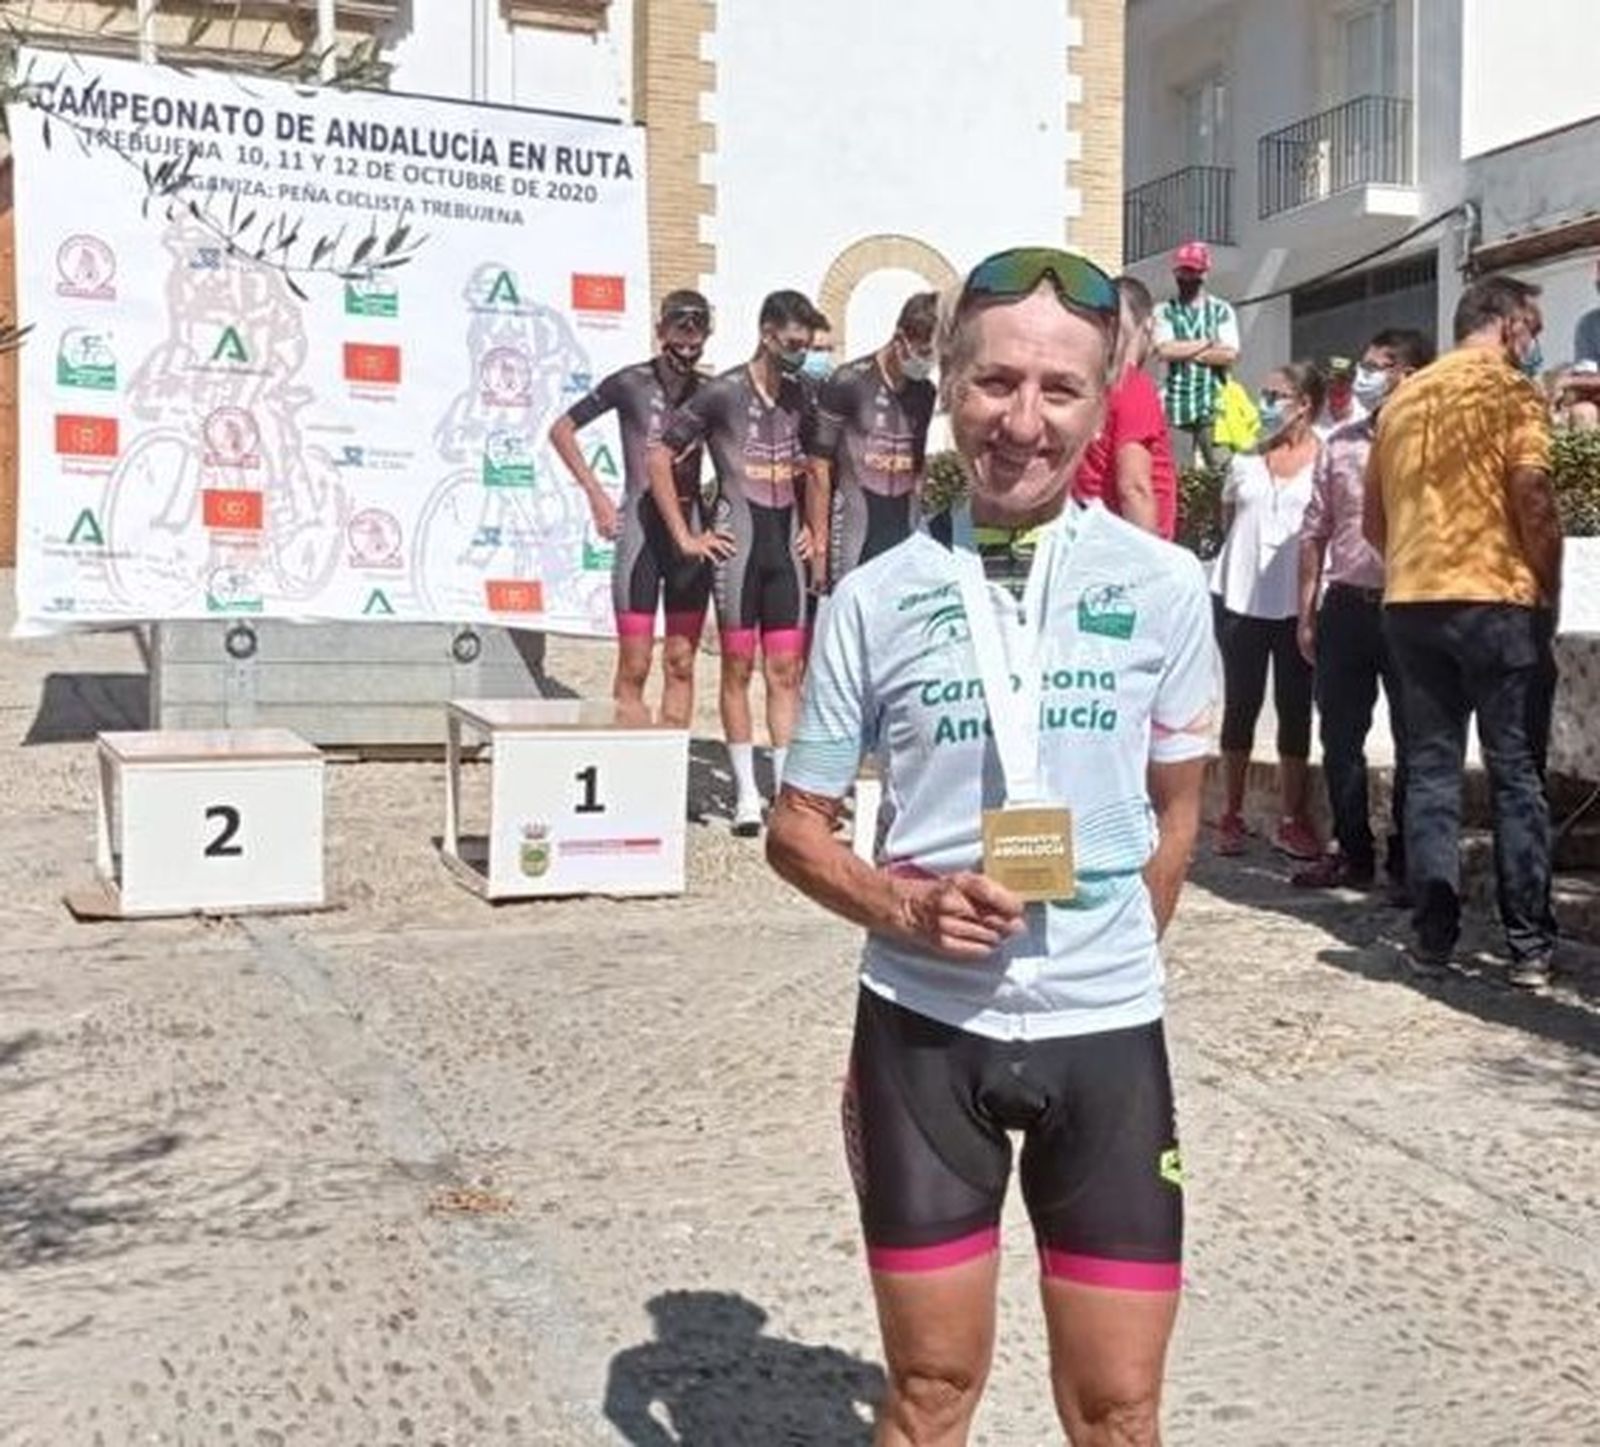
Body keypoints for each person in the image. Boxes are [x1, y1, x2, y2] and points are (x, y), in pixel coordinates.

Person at [768, 247, 1215, 1447]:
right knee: (926, 1397)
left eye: (1058, 390)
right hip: (923, 1029)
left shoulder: (1164, 587)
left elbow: (1180, 812)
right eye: (995, 384)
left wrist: (1111, 949)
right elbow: (793, 830)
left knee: (1118, 1409)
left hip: (1105, 1033)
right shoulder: (875, 596)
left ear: (1101, 392)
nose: (1023, 421)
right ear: (948, 388)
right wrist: (904, 910)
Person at [1365, 274, 1563, 988]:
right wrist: (1548, 584)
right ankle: (1528, 947)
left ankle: (1433, 937)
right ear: (1506, 321)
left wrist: (1417, 568)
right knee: (1515, 774)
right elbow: (1533, 496)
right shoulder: (1511, 393)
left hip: (1412, 601)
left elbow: (1372, 524)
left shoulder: (1400, 401)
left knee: (1432, 774)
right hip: (1499, 600)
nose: (1533, 343)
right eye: (1532, 328)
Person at [649, 288, 826, 835]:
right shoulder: (722, 391)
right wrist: (686, 535)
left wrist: (816, 533)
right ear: (767, 334)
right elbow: (659, 454)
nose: (800, 353)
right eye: (794, 343)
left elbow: (818, 467)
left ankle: (783, 797)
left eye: (807, 344)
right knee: (737, 669)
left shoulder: (803, 395)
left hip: (785, 546)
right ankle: (746, 796)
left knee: (786, 673)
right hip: (737, 543)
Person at [1293, 329, 1434, 892]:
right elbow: (1313, 531)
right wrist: (1306, 612)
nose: (1369, 374)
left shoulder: (1432, 443)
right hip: (1346, 607)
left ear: (1412, 374)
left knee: (1415, 736)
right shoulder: (1341, 444)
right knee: (1341, 737)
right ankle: (1354, 852)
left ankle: (1406, 859)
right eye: (1366, 364)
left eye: (1383, 365)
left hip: (1410, 606)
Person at [550, 289, 714, 726]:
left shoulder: (711, 392)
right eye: (679, 328)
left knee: (681, 662)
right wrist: (597, 496)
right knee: (635, 663)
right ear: (661, 330)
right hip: (640, 532)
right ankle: (632, 766)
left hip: (690, 531)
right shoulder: (630, 383)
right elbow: (562, 429)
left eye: (697, 331)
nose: (688, 340)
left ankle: (670, 771)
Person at [1210, 361, 1326, 861]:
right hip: (1240, 598)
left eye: (1277, 394)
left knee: (1295, 708)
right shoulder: (1245, 462)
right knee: (1241, 703)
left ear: (1304, 403)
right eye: (1265, 392)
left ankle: (1291, 816)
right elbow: (1229, 516)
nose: (1266, 402)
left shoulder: (1325, 459)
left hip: (1298, 604)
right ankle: (1231, 813)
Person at [806, 292, 939, 592]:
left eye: (935, 356)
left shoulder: (925, 392)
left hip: (903, 523)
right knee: (846, 620)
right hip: (854, 523)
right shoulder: (848, 381)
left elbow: (918, 464)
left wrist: (920, 532)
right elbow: (818, 467)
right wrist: (819, 546)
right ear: (900, 338)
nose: (928, 362)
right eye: (925, 352)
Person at [1073, 275, 1177, 538]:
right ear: (1150, 326)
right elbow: (1134, 487)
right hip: (1123, 546)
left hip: (1088, 535)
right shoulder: (1133, 387)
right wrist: (1152, 564)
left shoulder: (1085, 385)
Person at [1153, 239, 1239, 472]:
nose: (1186, 277)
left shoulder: (1221, 310)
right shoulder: (1164, 310)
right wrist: (1207, 343)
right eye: (1182, 271)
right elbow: (1164, 350)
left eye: (1192, 271)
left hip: (1214, 403)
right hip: (1173, 404)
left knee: (1222, 471)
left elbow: (1229, 354)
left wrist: (1185, 352)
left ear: (1204, 273)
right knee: (1174, 474)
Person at [1313, 355, 1367, 440]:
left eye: (1343, 381)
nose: (1336, 387)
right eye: (1331, 381)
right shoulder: (1313, 415)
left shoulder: (1364, 420)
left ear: (1353, 382)